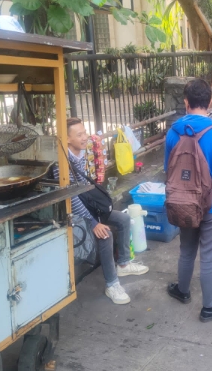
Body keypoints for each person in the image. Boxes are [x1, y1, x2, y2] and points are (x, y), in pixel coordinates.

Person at [54, 118, 149, 305]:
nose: (85, 137)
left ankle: (123, 264)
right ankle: (112, 284)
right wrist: (93, 222)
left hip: (87, 208)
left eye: (84, 132)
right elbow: (71, 199)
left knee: (122, 219)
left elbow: (84, 191)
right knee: (105, 234)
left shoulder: (81, 154)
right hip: (73, 214)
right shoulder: (62, 165)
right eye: (79, 135)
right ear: (67, 139)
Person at [164, 78, 212, 322]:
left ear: (186, 102)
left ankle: (182, 291)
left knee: (186, 249)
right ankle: (209, 307)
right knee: (208, 256)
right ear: (211, 101)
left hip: (183, 202)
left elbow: (168, 170)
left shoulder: (173, 133)